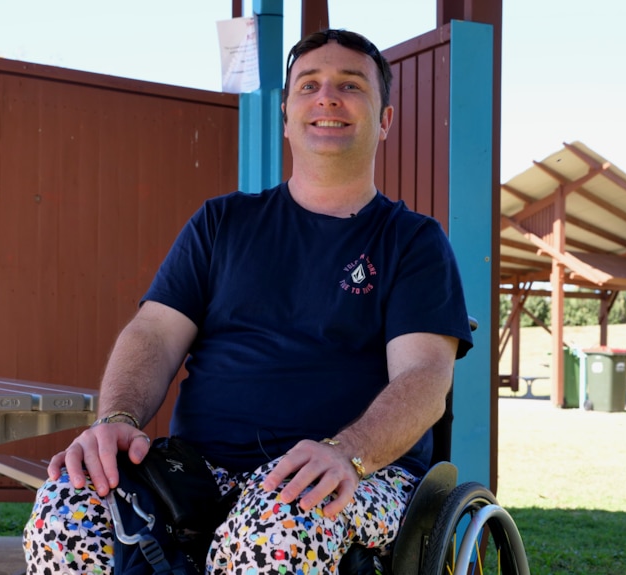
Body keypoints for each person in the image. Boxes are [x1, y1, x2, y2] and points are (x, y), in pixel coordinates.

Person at [23, 28, 473, 575]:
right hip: (200, 471)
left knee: (277, 527)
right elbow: (154, 334)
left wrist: (348, 451)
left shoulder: (414, 241)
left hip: (356, 472)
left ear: (385, 120)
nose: (327, 97)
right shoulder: (222, 222)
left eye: (350, 85)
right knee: (68, 509)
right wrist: (118, 418)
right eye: (309, 85)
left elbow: (425, 377)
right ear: (286, 116)